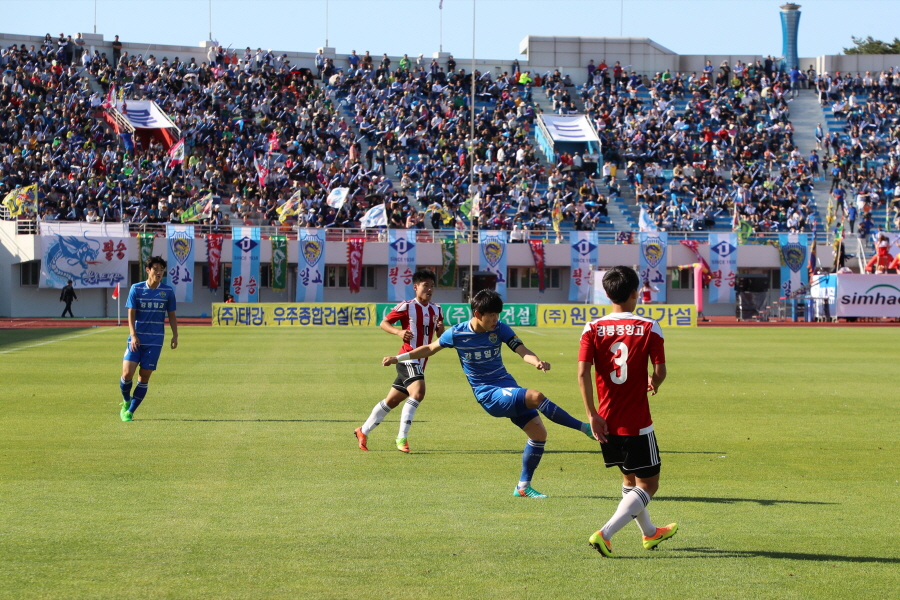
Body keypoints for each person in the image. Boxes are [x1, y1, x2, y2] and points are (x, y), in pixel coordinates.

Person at [382, 289, 593, 498]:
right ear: (477, 314)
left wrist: (536, 361)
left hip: (507, 386)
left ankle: (523, 486)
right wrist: (398, 358)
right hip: (488, 394)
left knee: (539, 435)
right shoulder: (457, 333)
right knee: (536, 397)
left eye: (497, 315)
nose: (495, 319)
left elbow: (522, 350)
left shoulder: (500, 329)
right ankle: (585, 429)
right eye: (491, 315)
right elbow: (429, 348)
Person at [578, 266, 676, 558]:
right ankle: (605, 534)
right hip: (637, 422)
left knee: (629, 480)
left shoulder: (592, 328)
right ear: (636, 293)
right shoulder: (648, 326)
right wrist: (653, 382)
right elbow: (660, 371)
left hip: (605, 420)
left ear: (607, 293)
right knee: (649, 484)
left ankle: (650, 533)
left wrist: (592, 414)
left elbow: (583, 373)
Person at [355, 270, 444, 453]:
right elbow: (384, 322)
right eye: (425, 285)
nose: (429, 289)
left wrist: (441, 330)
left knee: (392, 401)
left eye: (432, 286)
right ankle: (402, 437)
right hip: (407, 358)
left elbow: (438, 338)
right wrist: (399, 332)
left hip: (421, 362)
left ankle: (362, 430)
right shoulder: (407, 306)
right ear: (415, 287)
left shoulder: (437, 309)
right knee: (418, 392)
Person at [119, 256, 178, 422]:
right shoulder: (136, 289)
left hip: (155, 340)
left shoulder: (167, 291)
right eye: (156, 269)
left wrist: (175, 335)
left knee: (144, 377)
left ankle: (130, 412)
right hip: (136, 338)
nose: (159, 272)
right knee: (127, 373)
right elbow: (131, 313)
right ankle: (125, 400)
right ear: (148, 270)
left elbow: (171, 315)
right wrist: (133, 335)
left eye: (162, 270)